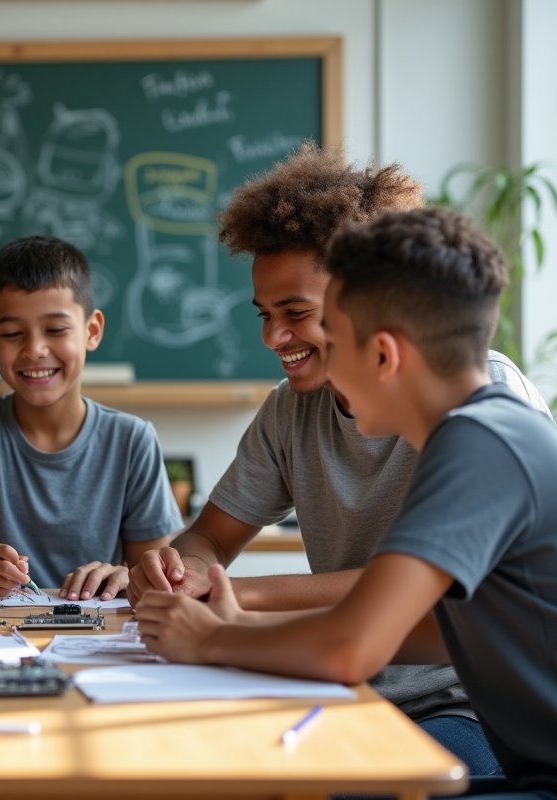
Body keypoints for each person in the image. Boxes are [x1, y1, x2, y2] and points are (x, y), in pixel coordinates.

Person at [127, 145, 550, 773]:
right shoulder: (476, 432)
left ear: (382, 353)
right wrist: (232, 625)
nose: (277, 341)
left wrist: (216, 634)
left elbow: (358, 641)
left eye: (328, 329)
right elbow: (434, 630)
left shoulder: (480, 441)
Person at [0, 235, 184, 599]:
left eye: (56, 330)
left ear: (91, 331)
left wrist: (124, 575)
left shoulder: (132, 440)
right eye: (13, 333)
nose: (35, 350)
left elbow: (151, 575)